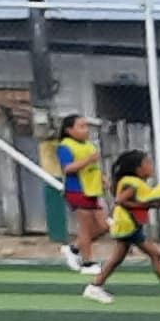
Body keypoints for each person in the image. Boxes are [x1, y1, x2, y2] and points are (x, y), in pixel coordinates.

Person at [77, 149, 160, 304]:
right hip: (127, 225)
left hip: (129, 224)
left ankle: (95, 286)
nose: (151, 166)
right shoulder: (132, 184)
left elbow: (137, 202)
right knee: (155, 253)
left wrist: (152, 204)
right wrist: (147, 205)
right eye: (147, 163)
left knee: (118, 259)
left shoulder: (138, 184)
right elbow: (120, 201)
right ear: (138, 169)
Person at [46, 116, 105, 273]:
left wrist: (104, 179)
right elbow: (68, 168)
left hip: (92, 190)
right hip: (77, 190)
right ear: (69, 130)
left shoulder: (89, 146)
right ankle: (87, 263)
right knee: (86, 228)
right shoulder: (65, 146)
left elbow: (95, 168)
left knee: (104, 226)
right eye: (81, 126)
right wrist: (89, 160)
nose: (86, 130)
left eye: (87, 126)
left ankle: (74, 249)